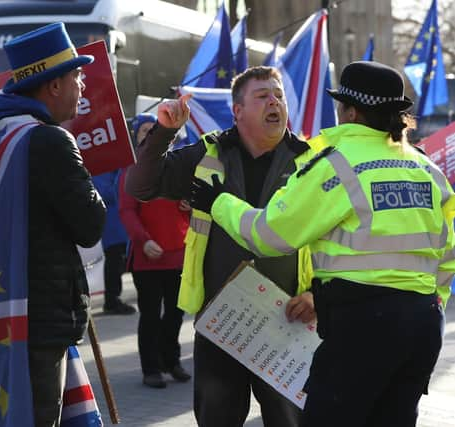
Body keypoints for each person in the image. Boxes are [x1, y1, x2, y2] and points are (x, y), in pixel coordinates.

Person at [189, 61, 451, 427]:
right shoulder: (427, 170)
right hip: (422, 326)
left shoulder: (336, 166)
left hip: (361, 327)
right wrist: (433, 306)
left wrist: (219, 202)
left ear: (350, 110)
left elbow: (271, 235)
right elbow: (448, 255)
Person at [125, 67, 323, 426]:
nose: (274, 101)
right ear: (237, 111)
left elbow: (334, 240)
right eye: (262, 96)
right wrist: (165, 131)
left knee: (291, 421)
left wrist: (316, 296)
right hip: (223, 322)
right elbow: (140, 186)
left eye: (278, 94)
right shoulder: (208, 152)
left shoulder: (310, 161)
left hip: (287, 322)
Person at [0, 23, 105, 425]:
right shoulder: (48, 141)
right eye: (77, 76)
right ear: (53, 85)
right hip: (42, 317)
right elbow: (91, 225)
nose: (82, 86)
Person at [120, 112, 191, 388]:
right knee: (150, 315)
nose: (150, 135)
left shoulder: (177, 166)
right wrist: (142, 240)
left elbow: (190, 206)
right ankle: (151, 368)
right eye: (145, 131)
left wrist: (190, 205)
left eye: (155, 130)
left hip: (178, 255)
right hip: (147, 257)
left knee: (175, 314)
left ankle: (171, 361)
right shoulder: (132, 168)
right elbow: (127, 211)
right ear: (137, 137)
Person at [92, 170, 136, 315]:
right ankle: (112, 300)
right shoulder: (101, 169)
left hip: (123, 222)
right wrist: (124, 178)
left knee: (125, 260)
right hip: (113, 223)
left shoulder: (120, 167)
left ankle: (114, 298)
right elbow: (104, 193)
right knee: (114, 260)